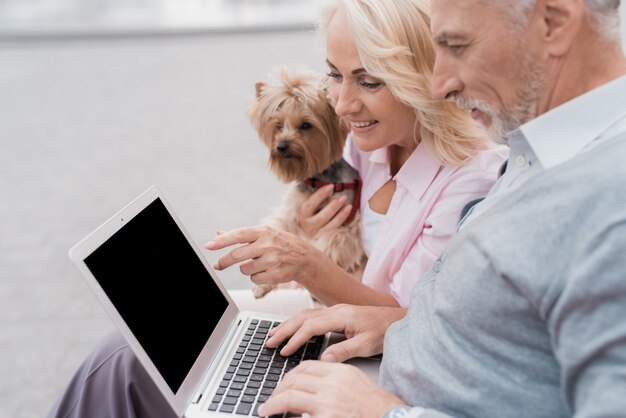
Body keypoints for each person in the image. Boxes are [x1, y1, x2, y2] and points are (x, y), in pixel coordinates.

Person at [254, 0, 626, 417]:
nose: (438, 85)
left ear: (553, 22)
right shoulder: (535, 152)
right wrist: (396, 325)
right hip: (365, 368)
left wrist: (380, 413)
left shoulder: (610, 204)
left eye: (457, 45)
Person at [207, 0, 507, 311]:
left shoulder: (473, 181)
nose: (341, 106)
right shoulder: (366, 142)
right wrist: (307, 233)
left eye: (369, 82)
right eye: (334, 75)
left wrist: (308, 264)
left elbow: (407, 318)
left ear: (421, 78)